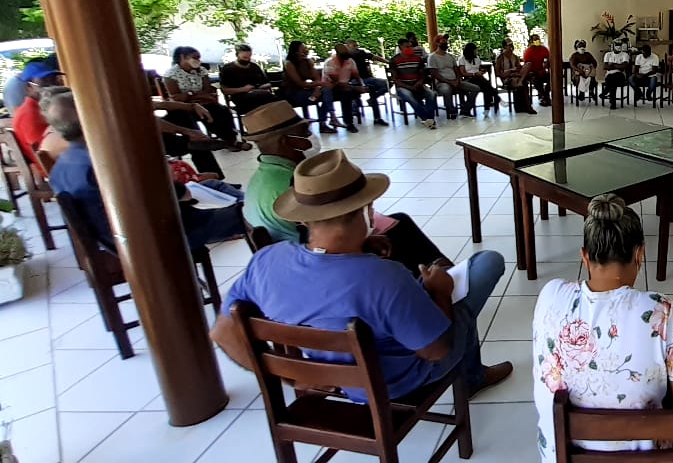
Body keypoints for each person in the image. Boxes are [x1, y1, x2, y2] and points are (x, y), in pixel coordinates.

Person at [209, 149, 513, 406]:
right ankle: (473, 378)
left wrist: (295, 377)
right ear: (368, 210)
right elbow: (436, 351)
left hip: (335, 376)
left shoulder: (265, 261)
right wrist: (440, 294)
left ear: (302, 217)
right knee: (477, 278)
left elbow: (222, 334)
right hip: (398, 382)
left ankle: (470, 370)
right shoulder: (385, 277)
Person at [533, 194, 673, 462]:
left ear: (584, 256)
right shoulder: (659, 312)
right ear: (640, 254)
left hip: (563, 457)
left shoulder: (550, 296)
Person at [240, 101, 449, 273]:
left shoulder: (261, 177)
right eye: (304, 131)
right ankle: (436, 281)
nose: (311, 136)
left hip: (292, 251)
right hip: (314, 260)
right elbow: (325, 232)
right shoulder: (290, 185)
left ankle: (440, 272)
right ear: (286, 141)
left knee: (400, 221)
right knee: (396, 234)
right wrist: (364, 240)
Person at [44, 89, 245, 250]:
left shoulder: (61, 168)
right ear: (90, 118)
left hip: (116, 241)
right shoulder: (108, 162)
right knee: (261, 214)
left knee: (213, 187)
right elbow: (179, 194)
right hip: (160, 238)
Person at [163, 46, 251, 150]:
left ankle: (230, 140)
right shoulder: (171, 74)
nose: (197, 60)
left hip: (205, 103)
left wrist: (191, 95)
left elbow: (208, 91)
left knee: (223, 111)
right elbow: (176, 97)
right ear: (183, 57)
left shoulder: (201, 71)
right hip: (184, 107)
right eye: (194, 58)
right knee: (191, 117)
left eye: (199, 58)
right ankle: (201, 141)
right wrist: (194, 95)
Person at [11, 59, 64, 167]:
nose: (51, 85)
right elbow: (47, 153)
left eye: (54, 79)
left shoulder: (44, 107)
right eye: (43, 81)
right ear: (29, 87)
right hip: (53, 168)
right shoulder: (29, 114)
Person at [280, 40, 333, 132]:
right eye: (303, 49)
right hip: (293, 92)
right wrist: (318, 85)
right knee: (318, 97)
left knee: (327, 92)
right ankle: (315, 122)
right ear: (296, 51)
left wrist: (317, 89)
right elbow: (299, 83)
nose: (306, 50)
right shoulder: (289, 63)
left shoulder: (308, 62)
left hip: (308, 90)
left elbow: (316, 78)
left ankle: (323, 122)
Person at [389, 38, 438, 128]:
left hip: (417, 84)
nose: (410, 48)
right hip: (403, 86)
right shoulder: (394, 60)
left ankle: (430, 118)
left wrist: (419, 82)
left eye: (411, 47)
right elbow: (395, 79)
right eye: (407, 47)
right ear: (400, 48)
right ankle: (425, 118)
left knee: (431, 94)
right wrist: (409, 87)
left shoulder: (417, 58)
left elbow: (422, 74)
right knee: (410, 97)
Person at [429, 35, 480, 120]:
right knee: (446, 89)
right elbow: (434, 74)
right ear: (437, 43)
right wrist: (449, 82)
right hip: (442, 82)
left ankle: (465, 110)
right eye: (443, 41)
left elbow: (456, 70)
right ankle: (451, 110)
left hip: (455, 80)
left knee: (476, 88)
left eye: (446, 41)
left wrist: (457, 79)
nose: (446, 43)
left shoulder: (450, 56)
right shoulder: (432, 57)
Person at [219, 44, 276, 115]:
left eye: (249, 57)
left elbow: (268, 83)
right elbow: (225, 90)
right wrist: (243, 89)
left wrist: (258, 88)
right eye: (244, 57)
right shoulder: (228, 69)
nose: (247, 59)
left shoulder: (254, 67)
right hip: (240, 97)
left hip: (260, 93)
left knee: (273, 100)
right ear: (237, 55)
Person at [344, 39, 390, 126]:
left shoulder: (361, 53)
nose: (356, 47)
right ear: (347, 46)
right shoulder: (345, 56)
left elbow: (374, 57)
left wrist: (388, 62)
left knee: (386, 84)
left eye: (356, 45)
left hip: (367, 78)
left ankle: (372, 100)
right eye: (353, 45)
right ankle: (356, 110)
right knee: (357, 90)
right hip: (353, 80)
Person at [321, 43, 363, 133]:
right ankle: (340, 120)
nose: (346, 57)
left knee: (347, 92)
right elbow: (336, 82)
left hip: (344, 85)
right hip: (331, 86)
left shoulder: (350, 60)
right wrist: (355, 88)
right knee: (342, 93)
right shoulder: (330, 63)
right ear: (338, 54)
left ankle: (349, 121)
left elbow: (356, 75)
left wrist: (362, 85)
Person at [496, 38, 536, 115]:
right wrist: (510, 72)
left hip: (517, 76)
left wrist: (517, 71)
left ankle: (520, 82)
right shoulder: (500, 58)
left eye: (512, 45)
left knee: (528, 64)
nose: (511, 47)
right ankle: (528, 107)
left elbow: (519, 68)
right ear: (504, 47)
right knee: (524, 84)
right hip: (507, 78)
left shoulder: (515, 57)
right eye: (509, 45)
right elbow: (498, 73)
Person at [459, 42, 499, 114]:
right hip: (469, 78)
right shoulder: (462, 59)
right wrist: (474, 74)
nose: (476, 52)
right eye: (475, 50)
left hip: (478, 78)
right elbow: (463, 73)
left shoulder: (477, 58)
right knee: (485, 84)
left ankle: (487, 108)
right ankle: (495, 95)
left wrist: (482, 71)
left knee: (486, 87)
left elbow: (479, 68)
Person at [522, 34, 552, 106]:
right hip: (533, 72)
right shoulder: (528, 51)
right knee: (536, 80)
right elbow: (527, 65)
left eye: (538, 39)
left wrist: (545, 67)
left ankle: (546, 95)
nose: (537, 41)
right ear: (531, 41)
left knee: (552, 78)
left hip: (543, 71)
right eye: (535, 39)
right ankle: (544, 97)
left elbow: (548, 60)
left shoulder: (544, 49)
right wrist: (537, 71)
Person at [601, 40, 631, 110]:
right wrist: (618, 66)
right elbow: (605, 67)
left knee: (614, 79)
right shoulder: (608, 54)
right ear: (613, 46)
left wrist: (612, 65)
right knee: (612, 81)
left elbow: (624, 67)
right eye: (616, 45)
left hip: (620, 75)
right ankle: (612, 102)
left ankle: (607, 93)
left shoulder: (625, 55)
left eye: (619, 45)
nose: (618, 47)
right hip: (609, 75)